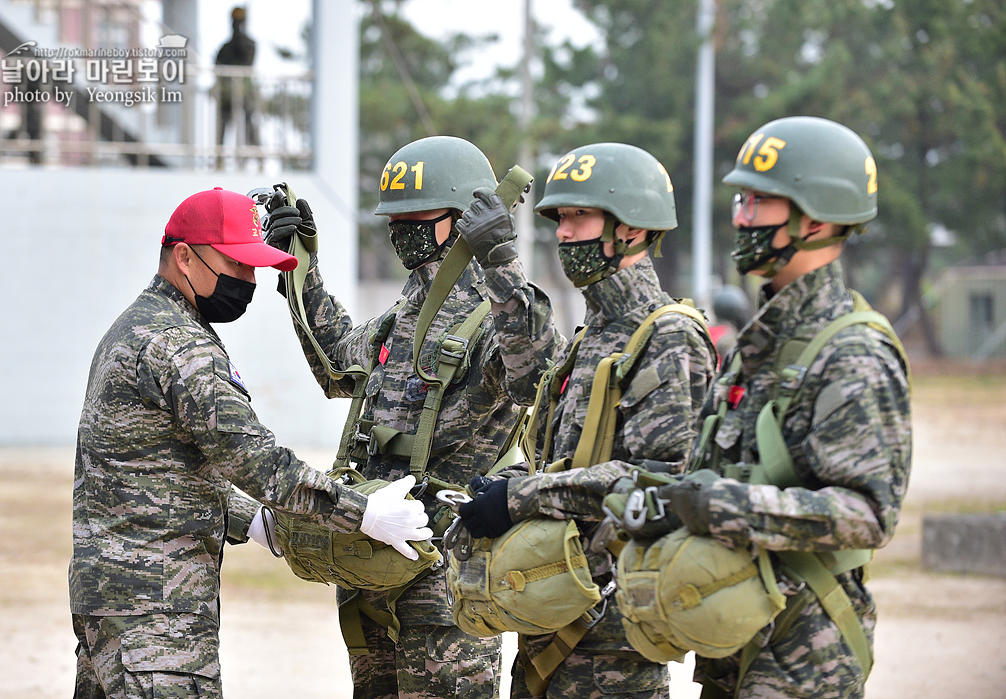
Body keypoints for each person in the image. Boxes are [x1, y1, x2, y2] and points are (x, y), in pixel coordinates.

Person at [69, 187, 430, 699]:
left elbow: (158, 473)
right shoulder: (181, 348)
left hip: (111, 607)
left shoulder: (136, 327)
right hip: (159, 624)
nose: (248, 280)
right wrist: (362, 512)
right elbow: (257, 461)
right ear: (185, 257)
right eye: (236, 265)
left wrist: (257, 523)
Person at [263, 135, 563, 699]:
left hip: (446, 575)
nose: (401, 228)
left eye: (415, 214)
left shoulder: (494, 313)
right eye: (394, 217)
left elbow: (535, 371)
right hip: (372, 563)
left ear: (461, 217)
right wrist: (300, 268)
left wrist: (499, 258)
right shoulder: (403, 315)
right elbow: (336, 365)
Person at [657, 116, 912, 697]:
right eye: (741, 200)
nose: (742, 217)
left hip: (805, 655)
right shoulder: (760, 342)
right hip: (737, 631)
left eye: (761, 202)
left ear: (817, 217)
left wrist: (724, 506)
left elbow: (869, 514)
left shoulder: (852, 351)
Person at [457, 142, 718, 699]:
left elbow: (659, 481)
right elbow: (553, 427)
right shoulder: (592, 338)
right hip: (554, 612)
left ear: (633, 228)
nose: (565, 232)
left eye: (581, 216)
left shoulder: (668, 337)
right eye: (560, 218)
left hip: (614, 645)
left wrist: (518, 499)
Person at [214, 6, 257, 165]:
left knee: (250, 125)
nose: (236, 25)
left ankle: (258, 157)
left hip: (245, 93)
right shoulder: (225, 48)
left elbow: (245, 56)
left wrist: (239, 32)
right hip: (227, 94)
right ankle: (219, 158)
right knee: (223, 125)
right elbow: (217, 66)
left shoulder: (249, 44)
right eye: (235, 22)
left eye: (239, 22)